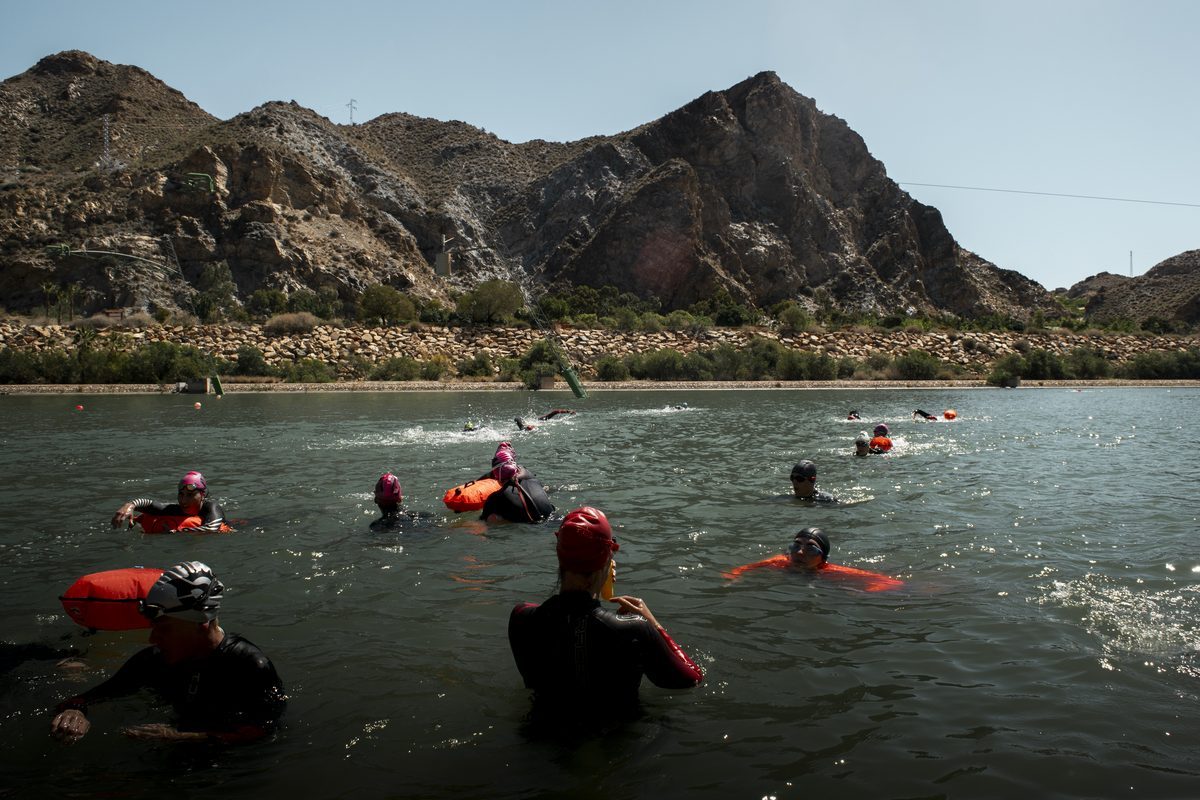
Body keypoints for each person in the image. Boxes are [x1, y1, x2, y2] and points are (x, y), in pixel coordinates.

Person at [50, 561, 285, 744]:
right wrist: (75, 712)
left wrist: (183, 738)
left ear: (199, 626)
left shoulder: (248, 665)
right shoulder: (154, 660)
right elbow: (83, 698)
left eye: (164, 630)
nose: (153, 639)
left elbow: (265, 732)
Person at [508, 507, 702, 719]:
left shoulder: (521, 618)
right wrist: (654, 624)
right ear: (604, 565)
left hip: (540, 733)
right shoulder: (632, 628)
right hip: (616, 738)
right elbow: (690, 681)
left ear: (560, 557)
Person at [723, 528, 903, 591]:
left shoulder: (831, 571)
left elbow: (890, 583)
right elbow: (742, 568)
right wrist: (736, 574)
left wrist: (865, 592)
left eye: (810, 548)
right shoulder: (781, 562)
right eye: (796, 546)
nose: (800, 553)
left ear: (823, 558)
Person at [111, 471, 230, 533]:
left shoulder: (212, 507)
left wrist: (178, 531)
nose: (183, 500)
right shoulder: (176, 509)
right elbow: (148, 503)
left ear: (202, 495)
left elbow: (212, 529)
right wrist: (129, 506)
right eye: (181, 494)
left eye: (190, 495)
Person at [478, 442, 554, 523]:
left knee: (491, 517)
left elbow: (481, 522)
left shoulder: (495, 498)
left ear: (495, 473)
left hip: (533, 529)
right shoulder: (534, 480)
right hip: (555, 521)